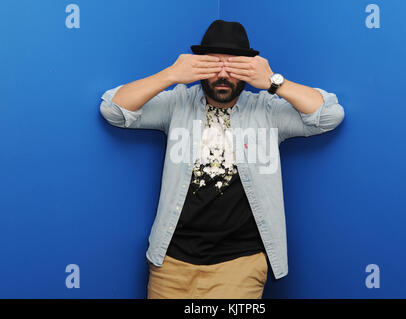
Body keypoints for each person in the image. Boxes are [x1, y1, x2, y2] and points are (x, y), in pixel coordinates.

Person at [99, 19, 345, 299]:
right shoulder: (177, 104)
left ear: (249, 70)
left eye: (235, 66)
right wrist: (171, 74)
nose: (223, 75)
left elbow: (329, 116)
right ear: (200, 67)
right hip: (170, 262)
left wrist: (274, 81)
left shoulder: (266, 110)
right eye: (214, 65)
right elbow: (113, 110)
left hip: (240, 264)